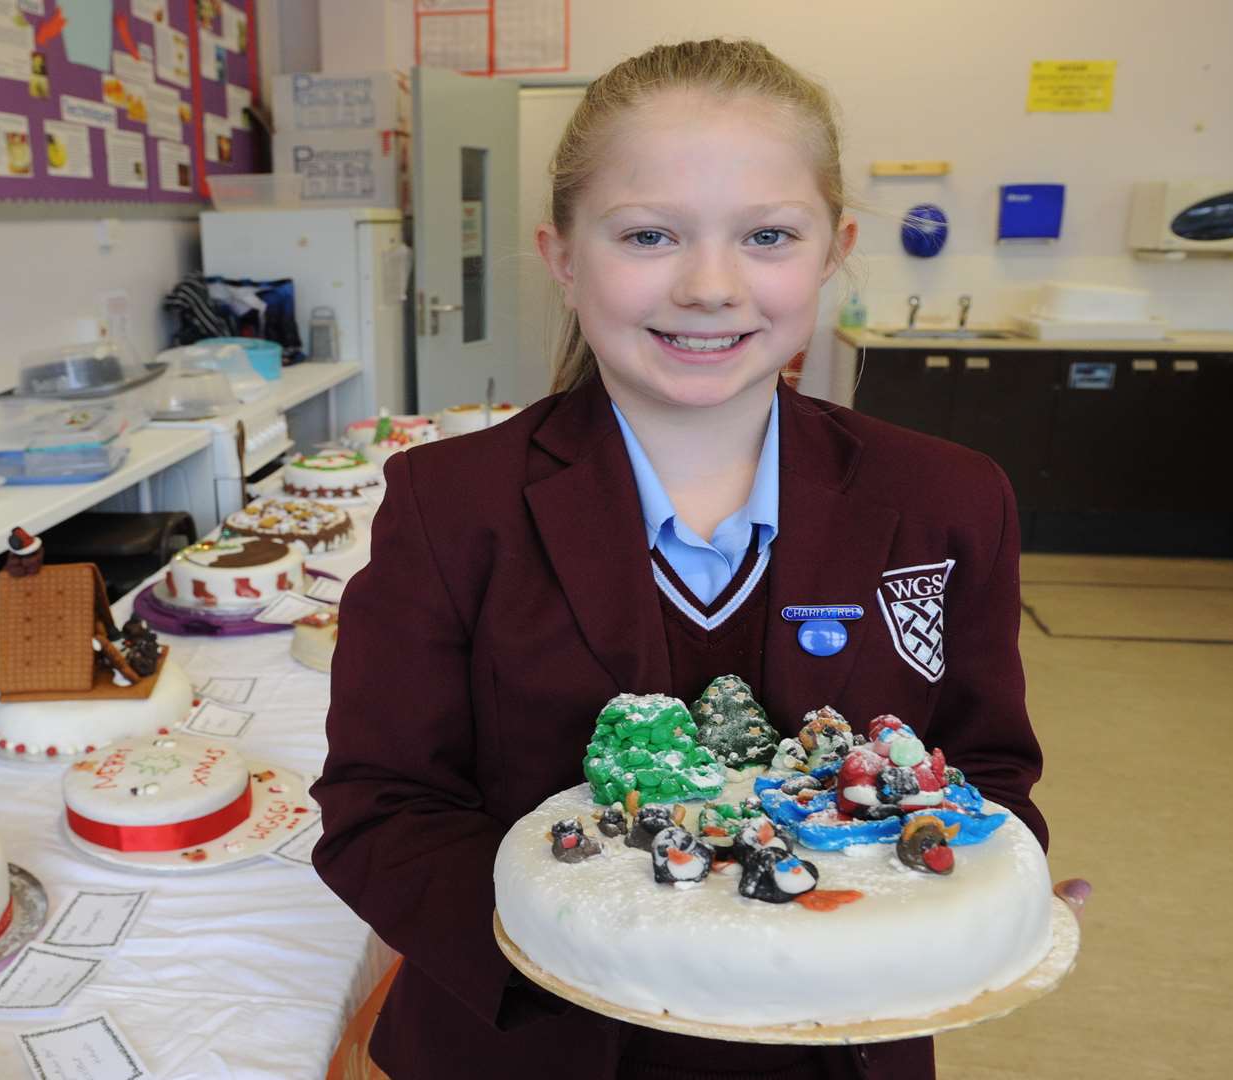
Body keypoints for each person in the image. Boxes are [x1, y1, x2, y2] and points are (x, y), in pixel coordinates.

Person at [311, 37, 1084, 1080]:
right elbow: (381, 807)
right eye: (649, 235)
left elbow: (984, 766)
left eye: (768, 234)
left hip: (841, 1035)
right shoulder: (451, 507)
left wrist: (982, 886)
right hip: (530, 1040)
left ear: (832, 248)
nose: (711, 285)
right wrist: (604, 946)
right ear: (563, 255)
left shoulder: (947, 500)